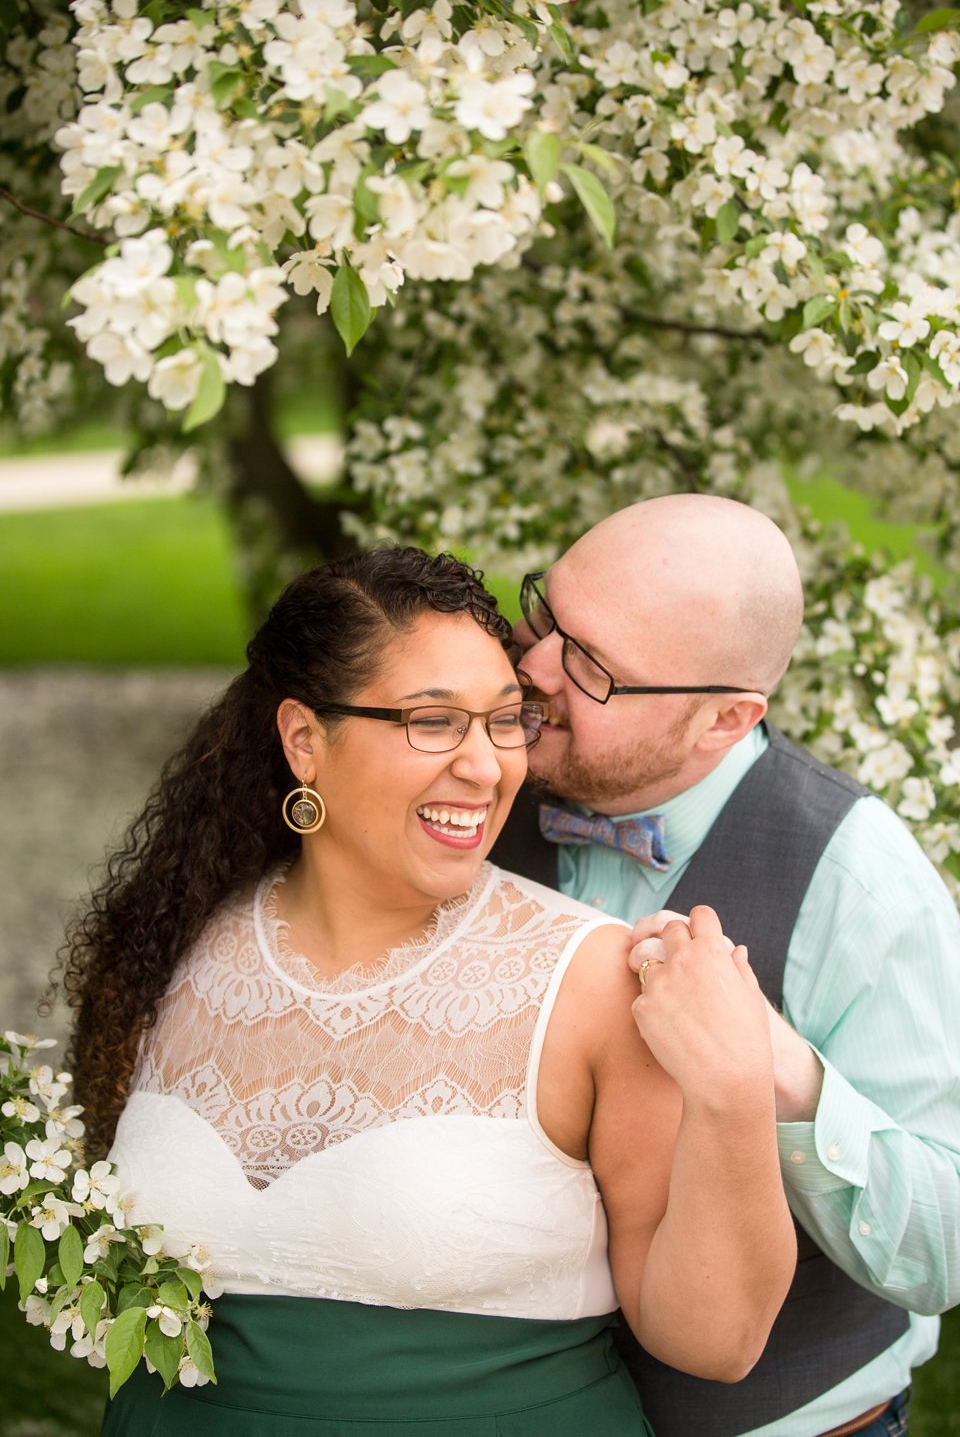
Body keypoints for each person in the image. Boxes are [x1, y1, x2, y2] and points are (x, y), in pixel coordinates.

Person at [61, 547, 795, 1437]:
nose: (488, 769)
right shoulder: (170, 948)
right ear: (304, 740)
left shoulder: (592, 980)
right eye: (435, 722)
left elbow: (716, 1340)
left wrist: (732, 1093)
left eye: (504, 721)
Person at [491, 493, 960, 1437]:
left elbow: (943, 1248)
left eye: (593, 667)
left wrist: (776, 1066)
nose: (534, 667)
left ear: (722, 719)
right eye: (545, 613)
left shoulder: (859, 884)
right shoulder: (477, 787)